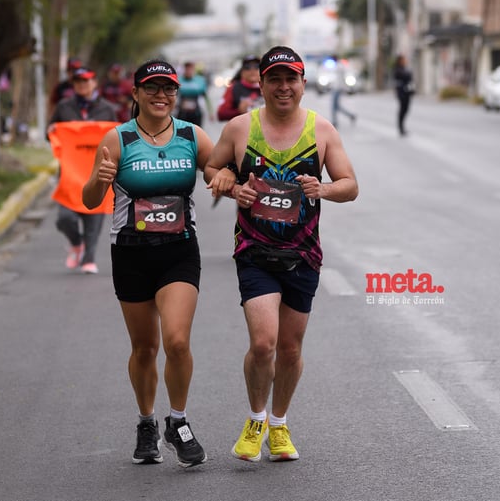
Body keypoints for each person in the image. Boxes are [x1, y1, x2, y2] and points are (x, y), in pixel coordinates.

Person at [204, 45, 358, 463]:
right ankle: (255, 419)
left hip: (303, 255)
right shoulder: (240, 128)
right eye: (275, 79)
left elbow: (350, 185)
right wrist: (229, 184)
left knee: (290, 349)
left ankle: (279, 423)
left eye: (291, 79)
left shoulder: (322, 132)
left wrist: (322, 188)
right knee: (264, 343)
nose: (284, 87)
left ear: (304, 85)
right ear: (262, 84)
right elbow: (213, 168)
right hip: (254, 250)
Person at [82, 59, 216, 468]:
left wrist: (224, 177)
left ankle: (178, 421)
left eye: (169, 89)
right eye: (152, 89)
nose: (162, 96)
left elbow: (218, 171)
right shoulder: (117, 138)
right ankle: (146, 422)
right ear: (136, 94)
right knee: (145, 348)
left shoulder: (192, 135)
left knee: (176, 341)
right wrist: (101, 179)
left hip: (179, 250)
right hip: (131, 252)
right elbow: (89, 200)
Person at [47, 67, 118, 274]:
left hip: (96, 172)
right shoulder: (64, 107)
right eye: (78, 81)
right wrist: (51, 131)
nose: (82, 85)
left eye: (86, 81)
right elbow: (52, 133)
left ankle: (89, 259)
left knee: (94, 216)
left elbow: (116, 136)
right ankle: (76, 244)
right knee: (64, 218)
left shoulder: (107, 109)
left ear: (95, 83)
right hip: (70, 173)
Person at [216, 55, 263, 121]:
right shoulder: (234, 88)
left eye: (256, 66)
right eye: (247, 67)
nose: (252, 70)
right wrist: (239, 111)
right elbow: (221, 113)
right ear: (242, 72)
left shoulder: (268, 86)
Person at [176, 61, 211, 127]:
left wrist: (210, 112)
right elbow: (173, 95)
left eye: (190, 69)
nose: (189, 71)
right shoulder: (179, 80)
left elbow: (206, 97)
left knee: (196, 133)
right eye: (187, 69)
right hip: (182, 113)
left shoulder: (200, 80)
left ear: (193, 70)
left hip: (196, 113)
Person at [330, 56, 357, 127]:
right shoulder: (338, 66)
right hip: (337, 88)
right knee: (337, 107)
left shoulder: (339, 66)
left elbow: (341, 79)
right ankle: (351, 116)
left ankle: (334, 121)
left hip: (337, 89)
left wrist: (345, 88)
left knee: (334, 106)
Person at [392, 54, 414, 136]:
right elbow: (404, 77)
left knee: (406, 109)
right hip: (401, 93)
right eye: (403, 60)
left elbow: (410, 78)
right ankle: (401, 128)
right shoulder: (397, 70)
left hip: (407, 92)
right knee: (402, 110)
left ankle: (402, 127)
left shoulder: (405, 68)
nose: (405, 61)